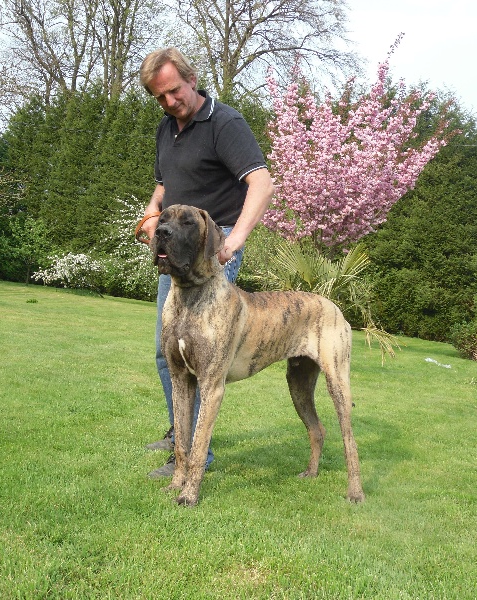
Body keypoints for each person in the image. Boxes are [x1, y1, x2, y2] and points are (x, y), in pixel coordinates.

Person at [137, 48, 274, 478]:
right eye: (159, 97)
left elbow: (261, 184)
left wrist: (234, 241)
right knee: (167, 353)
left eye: (174, 91)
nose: (169, 102)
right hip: (175, 247)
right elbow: (164, 185)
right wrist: (151, 214)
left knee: (203, 358)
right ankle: (180, 435)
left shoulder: (225, 123)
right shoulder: (166, 128)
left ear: (191, 79)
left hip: (212, 253)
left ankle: (198, 456)